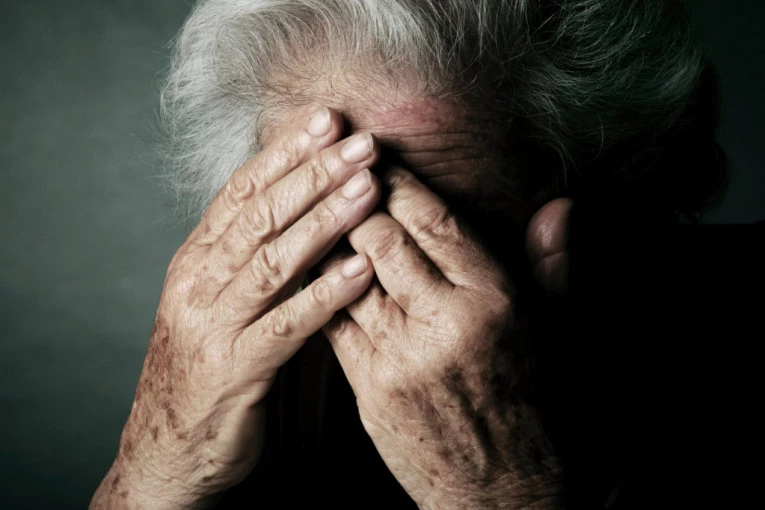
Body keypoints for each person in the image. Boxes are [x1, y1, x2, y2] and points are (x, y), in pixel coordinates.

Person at [91, 1, 749, 508]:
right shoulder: (262, 344)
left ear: (609, 193)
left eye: (441, 229)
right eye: (321, 216)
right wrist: (152, 470)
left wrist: (508, 493)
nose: (370, 268)